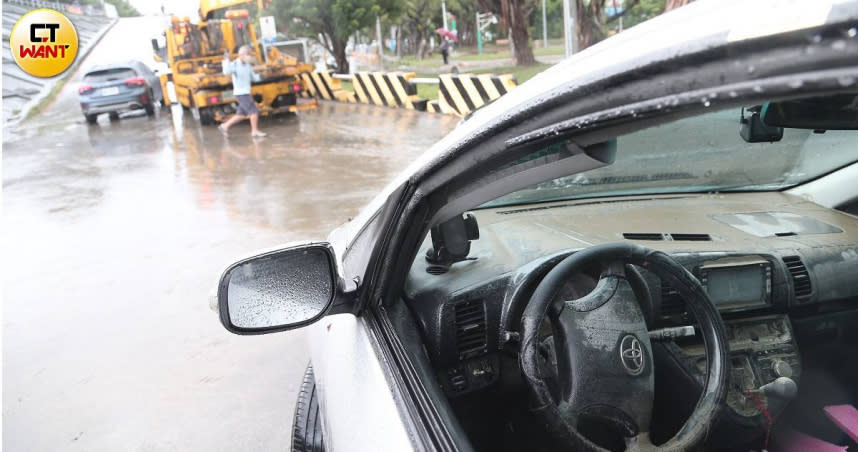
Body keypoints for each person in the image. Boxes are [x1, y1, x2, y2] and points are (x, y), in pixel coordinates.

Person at [219, 45, 266, 138]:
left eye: (250, 54)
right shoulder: (235, 64)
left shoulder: (248, 66)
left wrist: (262, 76)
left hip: (246, 91)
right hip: (241, 93)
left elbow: (254, 78)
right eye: (248, 54)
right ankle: (254, 131)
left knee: (241, 114)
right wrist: (226, 60)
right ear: (241, 55)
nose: (250, 56)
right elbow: (226, 71)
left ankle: (224, 126)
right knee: (253, 111)